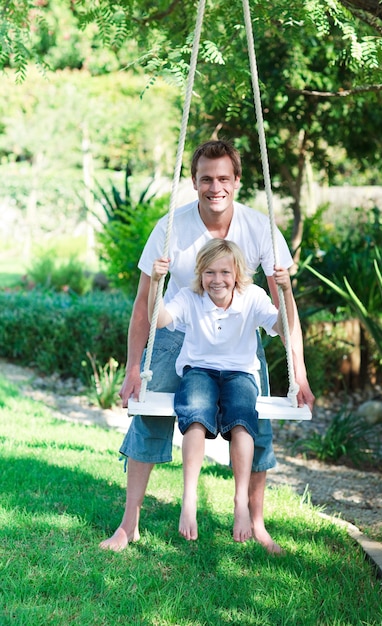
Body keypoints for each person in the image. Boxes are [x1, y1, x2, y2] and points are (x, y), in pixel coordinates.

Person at [99, 139, 314, 553]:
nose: (214, 187)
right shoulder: (170, 229)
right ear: (194, 182)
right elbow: (145, 308)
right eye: (205, 179)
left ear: (236, 181)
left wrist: (298, 374)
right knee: (149, 418)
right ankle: (129, 524)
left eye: (222, 178)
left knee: (254, 424)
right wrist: (132, 368)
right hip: (178, 331)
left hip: (237, 340)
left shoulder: (260, 229)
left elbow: (284, 309)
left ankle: (256, 523)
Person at [149, 238, 295, 543]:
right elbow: (160, 320)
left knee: (242, 421)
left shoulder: (252, 297)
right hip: (198, 369)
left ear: (238, 274)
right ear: (201, 274)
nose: (217, 280)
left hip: (239, 372)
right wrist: (156, 283)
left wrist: (286, 291)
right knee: (196, 418)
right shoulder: (191, 297)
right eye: (210, 272)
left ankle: (240, 502)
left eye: (225, 272)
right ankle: (189, 500)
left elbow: (284, 327)